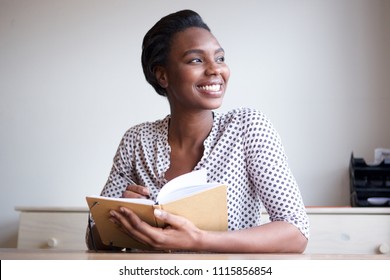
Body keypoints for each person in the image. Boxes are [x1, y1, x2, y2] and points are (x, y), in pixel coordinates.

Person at [86, 9, 309, 253]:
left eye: (220, 58)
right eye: (196, 60)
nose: (216, 70)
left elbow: (296, 232)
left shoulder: (247, 128)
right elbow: (95, 240)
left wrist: (197, 239)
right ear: (162, 75)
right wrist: (120, 217)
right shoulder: (136, 141)